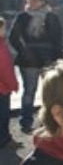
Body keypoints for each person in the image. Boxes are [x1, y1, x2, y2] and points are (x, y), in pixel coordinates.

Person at [9, 0, 63, 134]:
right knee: (29, 91)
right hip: (29, 59)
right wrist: (24, 50)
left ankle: (47, 121)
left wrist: (58, 59)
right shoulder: (23, 16)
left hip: (48, 58)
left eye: (34, 0)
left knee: (50, 91)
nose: (31, 3)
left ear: (43, 1)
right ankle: (26, 121)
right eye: (29, 0)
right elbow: (13, 37)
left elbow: (58, 39)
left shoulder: (51, 17)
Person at [0, 16, 20, 150]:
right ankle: (5, 140)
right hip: (2, 88)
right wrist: (13, 84)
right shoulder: (1, 47)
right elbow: (6, 69)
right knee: (3, 116)